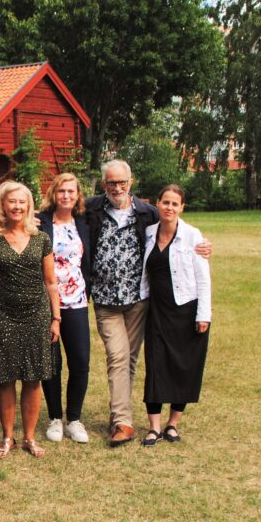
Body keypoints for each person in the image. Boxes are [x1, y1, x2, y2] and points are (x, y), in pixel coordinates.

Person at [85, 160, 210, 447]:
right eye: (111, 183)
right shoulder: (91, 208)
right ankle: (123, 423)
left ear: (131, 183)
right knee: (117, 356)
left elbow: (175, 226)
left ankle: (120, 416)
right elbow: (60, 209)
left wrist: (203, 244)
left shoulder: (146, 213)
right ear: (104, 185)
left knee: (128, 359)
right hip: (105, 301)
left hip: (138, 301)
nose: (117, 188)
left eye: (122, 182)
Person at [0, 181, 61, 458]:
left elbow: (51, 282)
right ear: (2, 205)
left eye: (21, 201)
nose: (16, 206)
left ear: (29, 206)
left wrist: (56, 318)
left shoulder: (41, 239)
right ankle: (7, 437)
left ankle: (28, 438)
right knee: (5, 378)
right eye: (11, 201)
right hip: (2, 315)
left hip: (36, 315)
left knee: (33, 378)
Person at [139, 185, 211, 445]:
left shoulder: (193, 236)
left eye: (174, 204)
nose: (169, 208)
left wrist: (203, 315)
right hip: (156, 310)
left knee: (184, 367)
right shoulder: (148, 233)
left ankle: (173, 423)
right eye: (165, 202)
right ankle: (154, 426)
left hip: (186, 309)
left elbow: (204, 279)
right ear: (157, 204)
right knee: (156, 366)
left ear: (182, 207)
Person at [35, 173, 91, 445]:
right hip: (47, 302)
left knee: (80, 361)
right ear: (53, 194)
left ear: (78, 195)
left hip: (77, 300)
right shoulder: (41, 221)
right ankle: (55, 417)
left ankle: (75, 419)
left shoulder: (84, 221)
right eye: (61, 192)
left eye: (71, 191)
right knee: (52, 363)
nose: (66, 196)